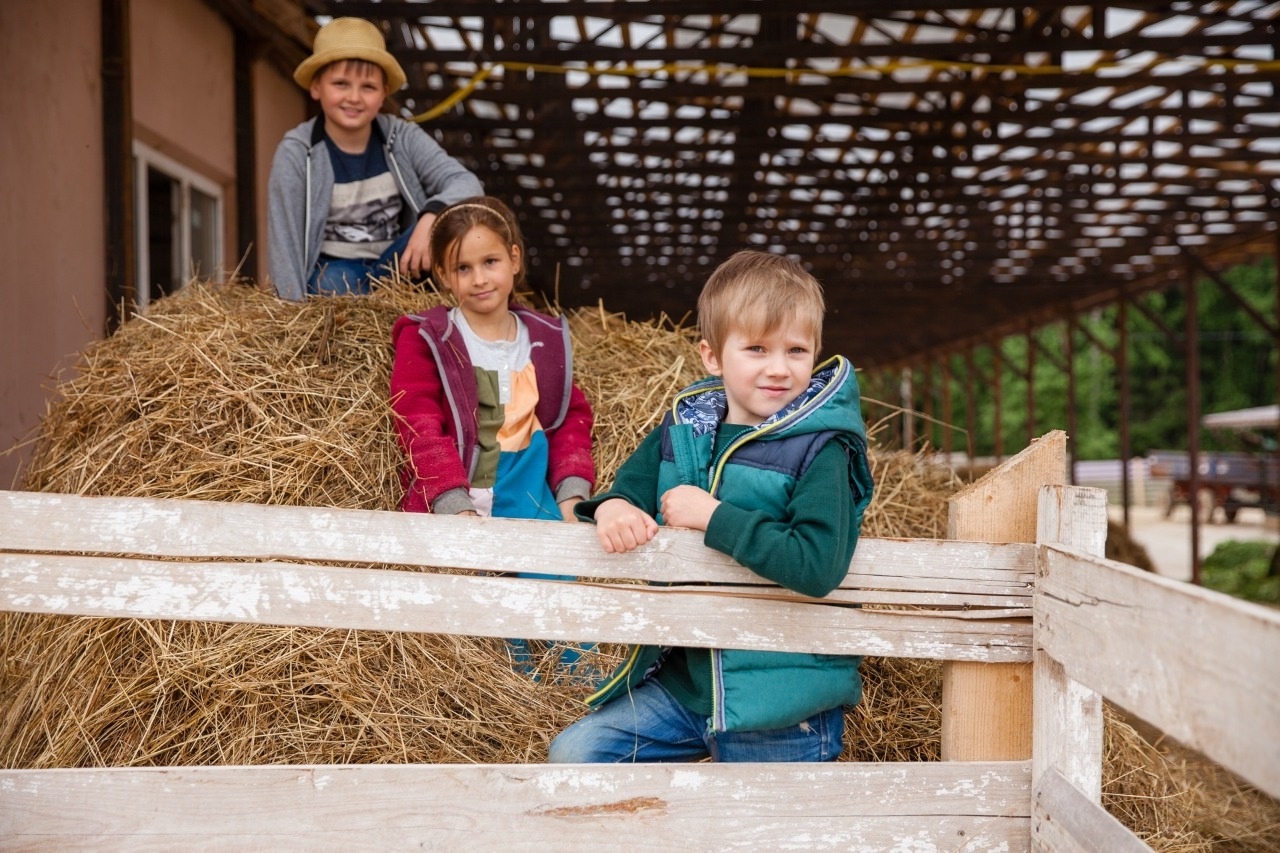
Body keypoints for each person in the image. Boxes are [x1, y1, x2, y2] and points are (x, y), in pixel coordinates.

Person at [548, 250, 875, 763]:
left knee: (750, 835)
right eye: (757, 348)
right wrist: (611, 509)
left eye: (796, 350)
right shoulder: (685, 431)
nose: (778, 368)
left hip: (781, 703)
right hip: (685, 686)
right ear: (713, 357)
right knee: (579, 754)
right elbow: (627, 490)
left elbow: (817, 564)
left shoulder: (821, 449)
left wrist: (713, 516)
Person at [389, 196, 596, 674]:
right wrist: (449, 500)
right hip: (467, 488)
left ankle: (575, 686)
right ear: (443, 275)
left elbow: (568, 418)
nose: (479, 279)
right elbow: (416, 418)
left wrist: (571, 494)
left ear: (514, 260)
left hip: (529, 489)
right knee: (483, 616)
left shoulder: (544, 338)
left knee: (557, 588)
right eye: (463, 267)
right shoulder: (429, 338)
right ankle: (512, 689)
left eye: (490, 262)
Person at [267, 17, 483, 300]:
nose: (354, 97)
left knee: (452, 232)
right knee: (331, 284)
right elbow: (285, 240)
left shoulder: (401, 136)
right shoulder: (297, 151)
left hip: (397, 264)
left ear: (383, 93)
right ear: (316, 87)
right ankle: (372, 303)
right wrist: (290, 315)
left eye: (368, 87)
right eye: (341, 84)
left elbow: (467, 182)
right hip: (334, 270)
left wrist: (431, 218)